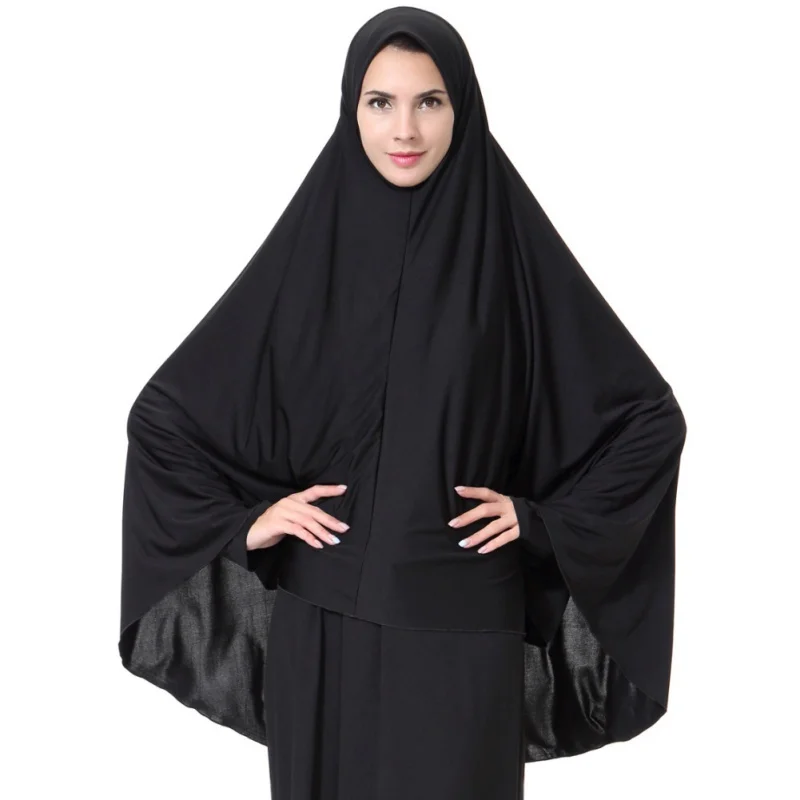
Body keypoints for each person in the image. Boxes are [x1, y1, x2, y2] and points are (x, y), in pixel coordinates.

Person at [119, 7, 688, 800]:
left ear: (463, 107)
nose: (405, 129)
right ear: (351, 108)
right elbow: (164, 421)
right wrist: (245, 524)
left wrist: (540, 522)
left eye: (430, 101)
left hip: (462, 627)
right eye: (380, 102)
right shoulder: (311, 249)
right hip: (323, 628)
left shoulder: (512, 255)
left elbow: (647, 423)